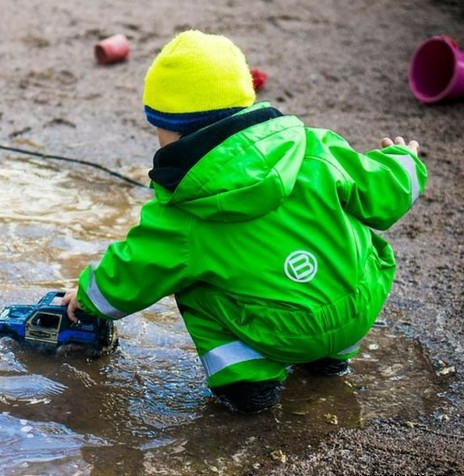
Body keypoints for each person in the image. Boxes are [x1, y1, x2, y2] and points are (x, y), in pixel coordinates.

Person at [62, 30, 427, 413]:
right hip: (358, 306)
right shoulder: (315, 147)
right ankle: (329, 360)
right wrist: (405, 161)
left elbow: (135, 270)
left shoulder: (182, 211)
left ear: (167, 129)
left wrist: (87, 299)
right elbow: (383, 191)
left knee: (188, 280)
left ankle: (247, 382)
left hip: (281, 332)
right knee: (347, 236)